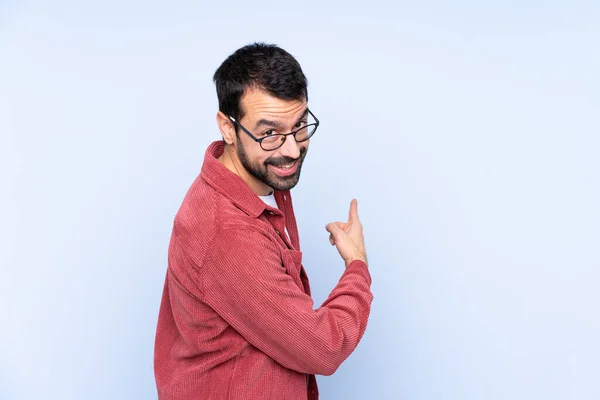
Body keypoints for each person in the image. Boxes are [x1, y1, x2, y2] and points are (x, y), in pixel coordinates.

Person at [153, 42, 373, 400]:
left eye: (299, 125)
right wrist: (357, 266)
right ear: (228, 127)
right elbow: (322, 347)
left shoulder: (261, 178)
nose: (291, 149)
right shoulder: (228, 231)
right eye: (269, 133)